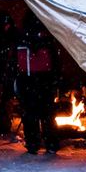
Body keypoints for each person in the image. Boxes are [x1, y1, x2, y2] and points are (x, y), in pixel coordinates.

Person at [15, 14, 60, 154]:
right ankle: (49, 144)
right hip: (41, 81)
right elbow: (56, 61)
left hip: (30, 80)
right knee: (45, 115)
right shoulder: (47, 38)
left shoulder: (22, 39)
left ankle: (34, 143)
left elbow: (13, 62)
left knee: (32, 115)